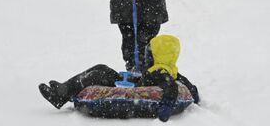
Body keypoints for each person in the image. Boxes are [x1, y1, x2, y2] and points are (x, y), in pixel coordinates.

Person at [38, 35, 199, 122]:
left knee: (96, 75)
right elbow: (188, 85)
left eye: (149, 53)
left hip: (129, 90)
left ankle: (62, 94)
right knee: (101, 68)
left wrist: (166, 108)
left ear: (157, 55)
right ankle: (64, 89)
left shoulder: (161, 73)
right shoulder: (169, 69)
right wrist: (194, 93)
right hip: (131, 83)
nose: (146, 56)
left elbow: (171, 87)